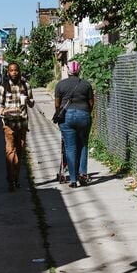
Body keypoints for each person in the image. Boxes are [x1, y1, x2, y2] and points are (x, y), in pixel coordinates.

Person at [53, 60, 94, 188]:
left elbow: (57, 104)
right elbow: (91, 103)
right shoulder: (86, 85)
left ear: (68, 71)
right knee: (83, 145)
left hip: (67, 117)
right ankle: (83, 174)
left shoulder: (60, 85)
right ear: (79, 70)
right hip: (83, 115)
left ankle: (73, 180)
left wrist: (59, 115)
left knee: (70, 148)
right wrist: (85, 112)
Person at [0, 61, 34, 191]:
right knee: (10, 151)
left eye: (16, 70)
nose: (14, 72)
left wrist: (28, 100)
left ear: (19, 71)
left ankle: (15, 178)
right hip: (9, 124)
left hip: (22, 123)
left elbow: (32, 103)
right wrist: (3, 111)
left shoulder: (26, 85)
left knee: (19, 151)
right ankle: (11, 179)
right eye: (11, 70)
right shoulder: (3, 87)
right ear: (8, 72)